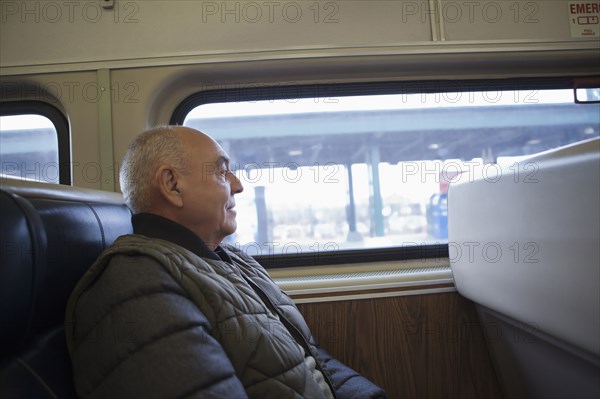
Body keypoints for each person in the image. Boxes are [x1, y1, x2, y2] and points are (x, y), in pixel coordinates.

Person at [65, 126, 386, 399]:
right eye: (221, 171)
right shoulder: (136, 286)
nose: (238, 184)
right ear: (173, 186)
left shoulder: (233, 260)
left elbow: (307, 359)